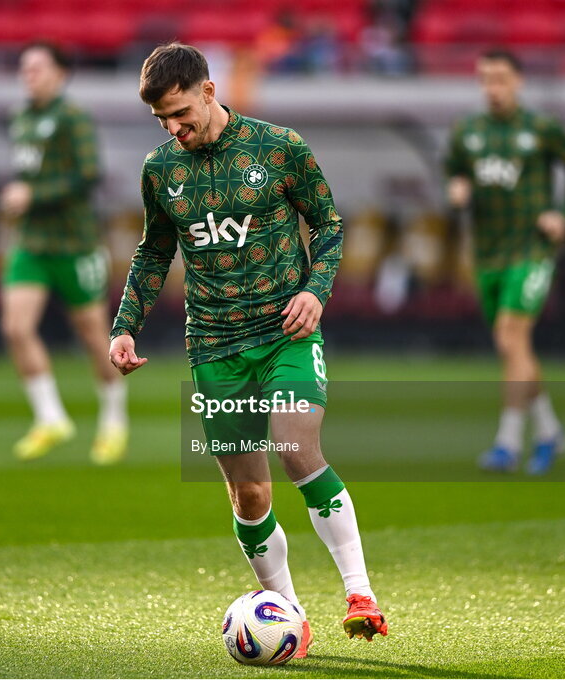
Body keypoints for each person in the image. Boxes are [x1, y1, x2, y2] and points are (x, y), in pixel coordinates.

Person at [109, 43, 388, 658]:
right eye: (162, 122)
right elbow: (155, 252)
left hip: (285, 331)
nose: (174, 130)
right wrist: (124, 326)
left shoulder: (279, 147)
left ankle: (360, 593)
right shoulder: (161, 170)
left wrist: (316, 290)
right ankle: (287, 614)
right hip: (213, 347)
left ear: (209, 91)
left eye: (181, 114)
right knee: (250, 495)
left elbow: (331, 224)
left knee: (296, 445)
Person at [444, 48, 565, 475]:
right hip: (488, 253)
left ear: (518, 82)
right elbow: (454, 169)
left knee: (511, 336)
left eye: (502, 79)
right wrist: (457, 189)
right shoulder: (467, 132)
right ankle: (550, 431)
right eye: (487, 79)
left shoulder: (540, 128)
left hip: (532, 249)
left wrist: (563, 213)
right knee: (514, 348)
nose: (494, 87)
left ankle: (508, 442)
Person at [0, 41, 127, 465]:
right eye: (24, 67)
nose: (28, 74)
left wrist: (31, 193)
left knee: (93, 335)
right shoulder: (19, 118)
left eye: (37, 66)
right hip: (33, 242)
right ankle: (51, 417)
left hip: (75, 244)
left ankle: (114, 422)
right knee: (16, 328)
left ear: (60, 73)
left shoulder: (74, 118)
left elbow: (89, 174)